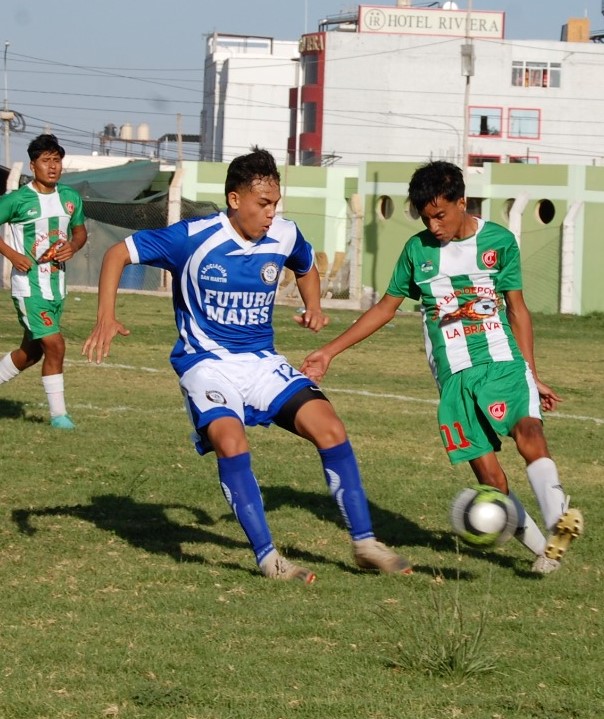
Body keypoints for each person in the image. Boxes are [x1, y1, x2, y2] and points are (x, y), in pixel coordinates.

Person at [82, 147, 411, 582]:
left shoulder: (284, 235)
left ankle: (365, 544)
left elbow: (306, 264)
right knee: (231, 442)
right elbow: (116, 254)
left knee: (330, 428)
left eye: (275, 203)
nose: (272, 213)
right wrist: (106, 315)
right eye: (263, 204)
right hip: (207, 364)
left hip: (261, 363)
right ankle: (269, 558)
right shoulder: (193, 237)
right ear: (235, 200)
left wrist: (313, 305)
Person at [302, 160, 583, 575]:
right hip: (453, 377)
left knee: (529, 432)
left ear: (461, 202)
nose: (434, 225)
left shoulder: (499, 241)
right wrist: (329, 351)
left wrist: (531, 372)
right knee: (492, 481)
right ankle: (546, 551)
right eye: (426, 217)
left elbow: (518, 311)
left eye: (441, 215)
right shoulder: (417, 252)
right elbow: (384, 308)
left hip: (501, 361)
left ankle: (559, 514)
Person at [0, 133, 87, 429]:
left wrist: (73, 247)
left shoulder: (70, 198)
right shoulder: (18, 199)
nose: (52, 166)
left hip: (57, 286)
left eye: (57, 160)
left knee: (32, 351)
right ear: (33, 165)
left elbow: (80, 232)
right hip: (29, 286)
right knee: (56, 345)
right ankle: (59, 417)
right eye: (46, 161)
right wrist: (12, 255)